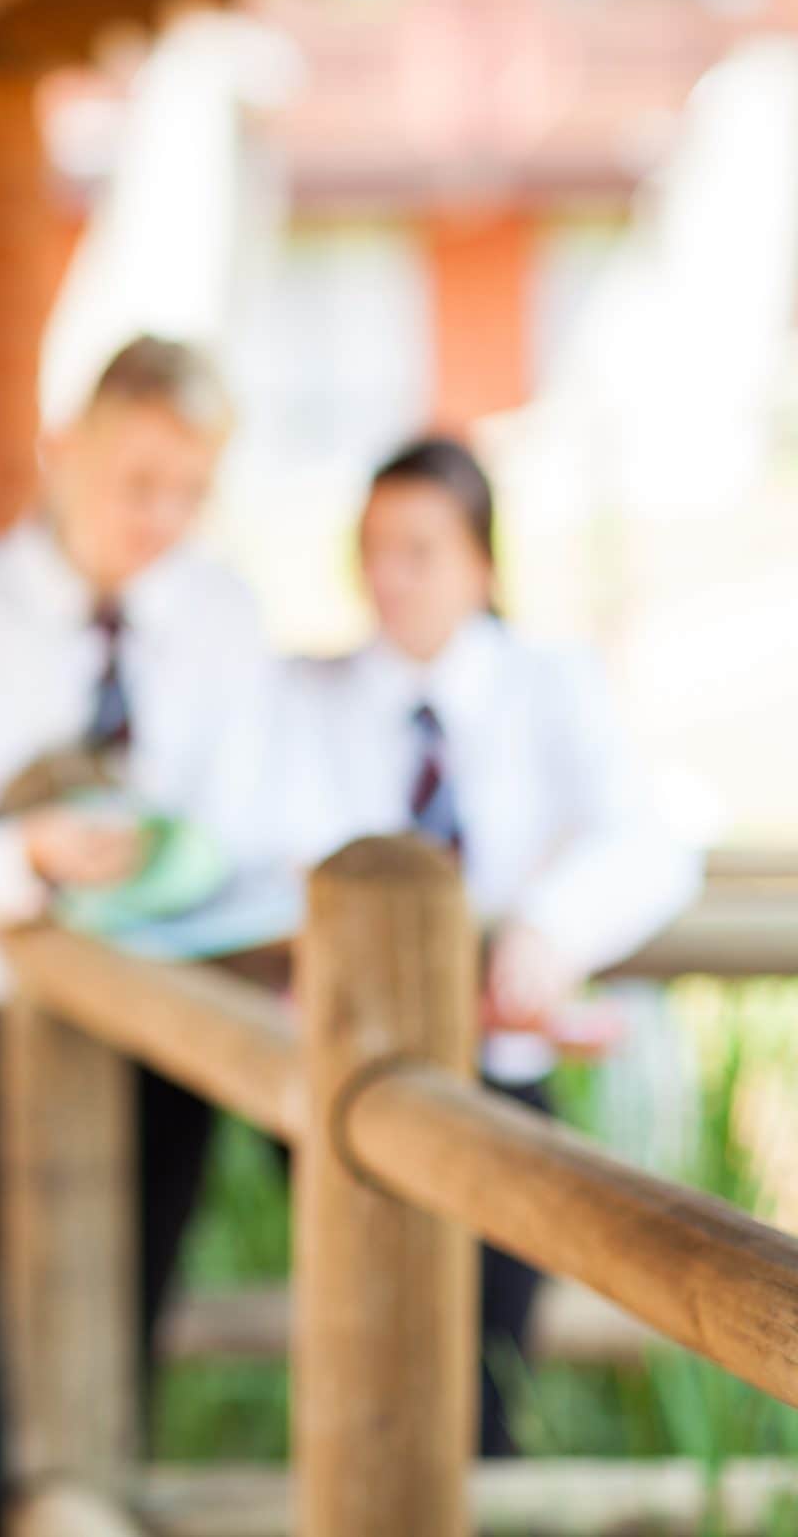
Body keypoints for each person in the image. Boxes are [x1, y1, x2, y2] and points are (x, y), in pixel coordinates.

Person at [0, 334, 275, 1537]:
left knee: (100, 1429)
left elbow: (238, 832)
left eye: (190, 491)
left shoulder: (221, 611)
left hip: (156, 1036)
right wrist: (30, 859)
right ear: (62, 452)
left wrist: (152, 863)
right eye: (136, 482)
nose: (163, 517)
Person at [274, 435, 701, 1458]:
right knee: (364, 1366)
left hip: (501, 1076)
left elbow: (647, 843)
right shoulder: (305, 696)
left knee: (485, 1381)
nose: (388, 576)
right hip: (343, 1083)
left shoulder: (549, 683)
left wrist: (548, 928)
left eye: (419, 549)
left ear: (482, 562)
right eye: (374, 547)